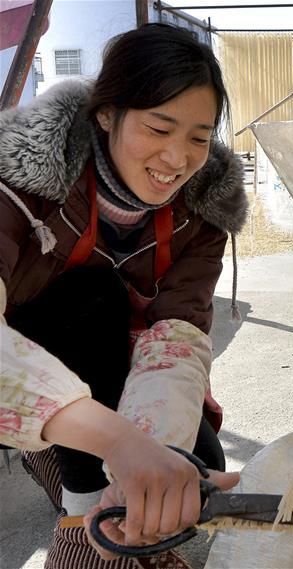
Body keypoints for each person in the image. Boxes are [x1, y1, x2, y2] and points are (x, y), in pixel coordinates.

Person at [0, 23, 247, 568]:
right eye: (159, 128)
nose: (177, 158)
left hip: (119, 367)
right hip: (21, 372)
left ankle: (97, 492)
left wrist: (152, 457)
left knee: (193, 459)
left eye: (199, 137)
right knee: (93, 293)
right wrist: (117, 444)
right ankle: (81, 513)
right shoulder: (18, 182)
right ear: (106, 114)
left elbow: (178, 337)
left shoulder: (202, 213)